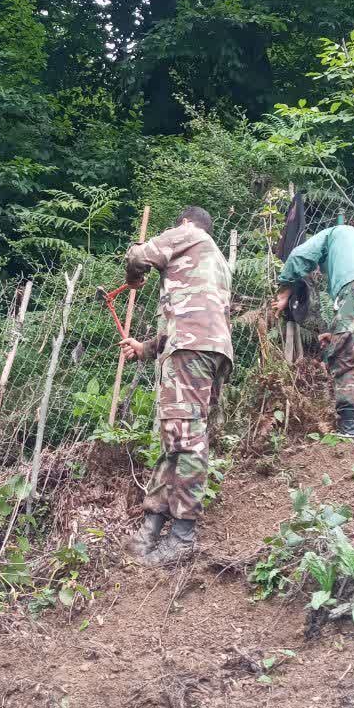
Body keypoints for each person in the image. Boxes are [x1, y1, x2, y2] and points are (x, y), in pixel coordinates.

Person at [119, 206, 233, 567]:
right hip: (206, 349)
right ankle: (152, 525)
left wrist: (134, 278)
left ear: (184, 223)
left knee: (185, 437)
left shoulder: (190, 233)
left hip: (190, 349)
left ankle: (183, 535)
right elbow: (191, 318)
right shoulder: (215, 263)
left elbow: (137, 254)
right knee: (177, 437)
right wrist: (146, 348)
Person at [272, 223, 354, 437]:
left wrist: (285, 289)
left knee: (346, 355)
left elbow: (299, 256)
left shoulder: (333, 234)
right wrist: (336, 333)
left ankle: (350, 427)